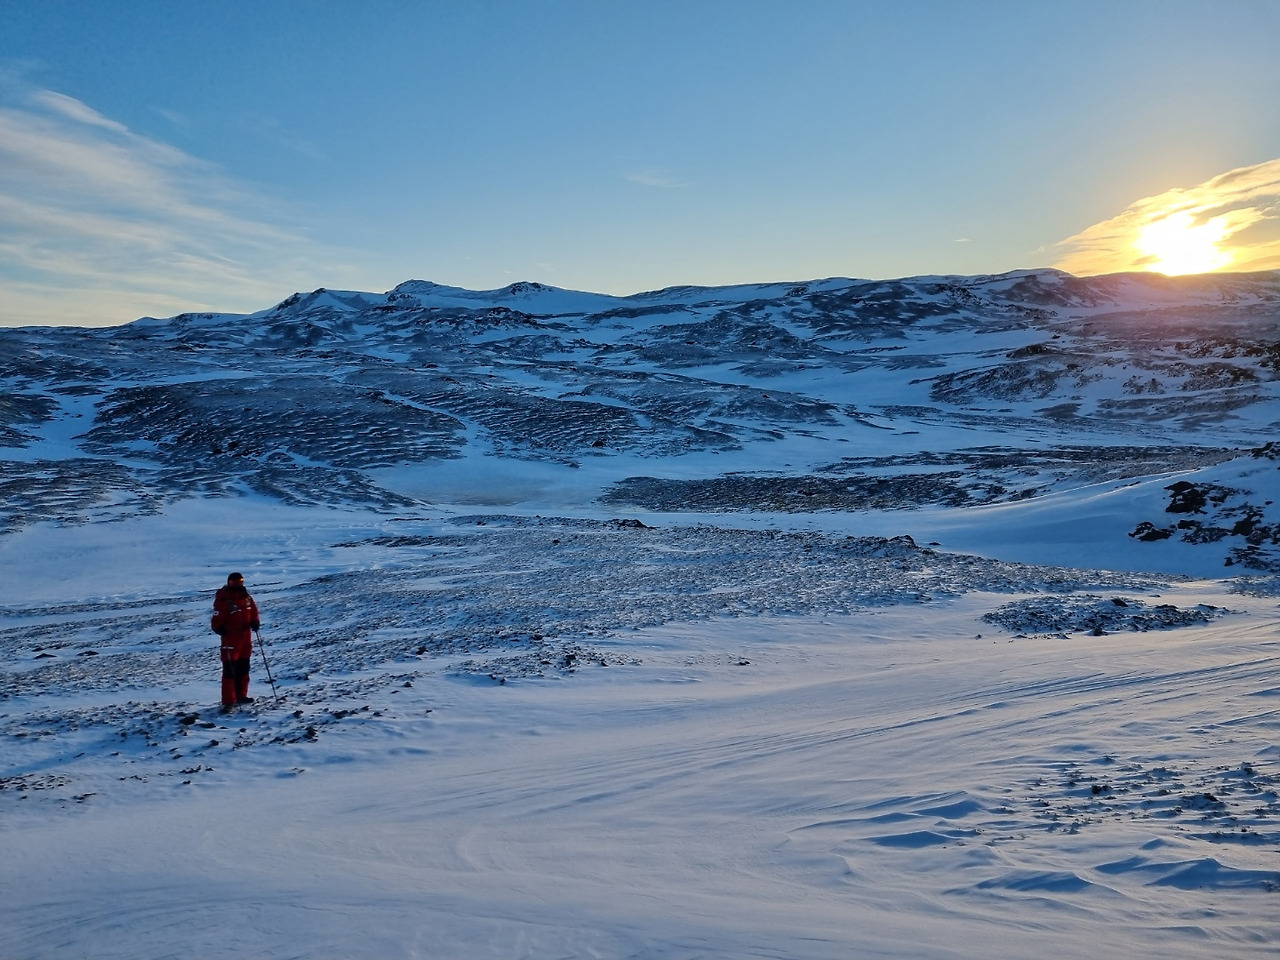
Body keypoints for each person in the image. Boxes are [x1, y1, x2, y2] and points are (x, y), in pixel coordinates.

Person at [211, 572, 260, 711]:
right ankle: (228, 701)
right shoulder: (224, 600)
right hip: (231, 640)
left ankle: (241, 695)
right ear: (229, 583)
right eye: (235, 582)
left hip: (245, 639)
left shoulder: (247, 598)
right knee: (230, 671)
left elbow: (254, 611)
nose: (238, 585)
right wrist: (219, 628)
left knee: (243, 669)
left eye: (241, 581)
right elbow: (216, 620)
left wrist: (255, 622)